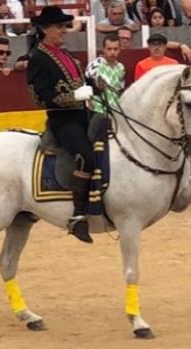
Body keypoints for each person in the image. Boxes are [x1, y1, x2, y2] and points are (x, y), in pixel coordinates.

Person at [27, 6, 95, 244]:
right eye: (59, 27)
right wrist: (75, 97)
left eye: (65, 26)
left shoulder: (67, 55)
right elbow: (39, 97)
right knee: (87, 155)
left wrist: (95, 86)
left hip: (82, 116)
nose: (64, 31)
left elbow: (82, 82)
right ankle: (77, 215)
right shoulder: (38, 57)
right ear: (45, 29)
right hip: (61, 120)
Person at [85, 33, 125, 116]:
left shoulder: (121, 68)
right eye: (109, 49)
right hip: (97, 110)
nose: (112, 52)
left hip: (115, 111)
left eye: (115, 49)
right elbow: (86, 88)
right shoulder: (94, 65)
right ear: (103, 49)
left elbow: (120, 90)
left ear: (120, 50)